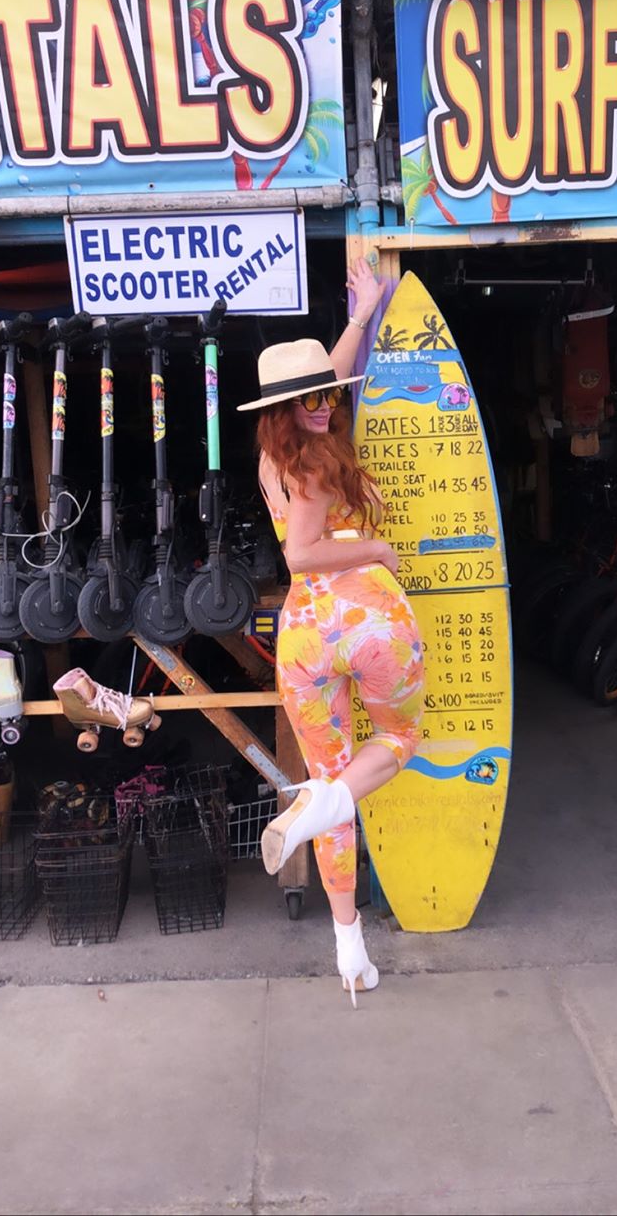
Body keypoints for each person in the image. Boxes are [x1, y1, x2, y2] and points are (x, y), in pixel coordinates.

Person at [238, 258, 425, 1006]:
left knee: (328, 785)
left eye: (325, 394)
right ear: (289, 409)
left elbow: (330, 377)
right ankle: (328, 802)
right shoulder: (316, 464)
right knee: (399, 739)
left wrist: (361, 312)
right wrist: (375, 549)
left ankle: (350, 947)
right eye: (312, 398)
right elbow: (302, 553)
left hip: (306, 637)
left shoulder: (274, 453)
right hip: (366, 617)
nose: (324, 404)